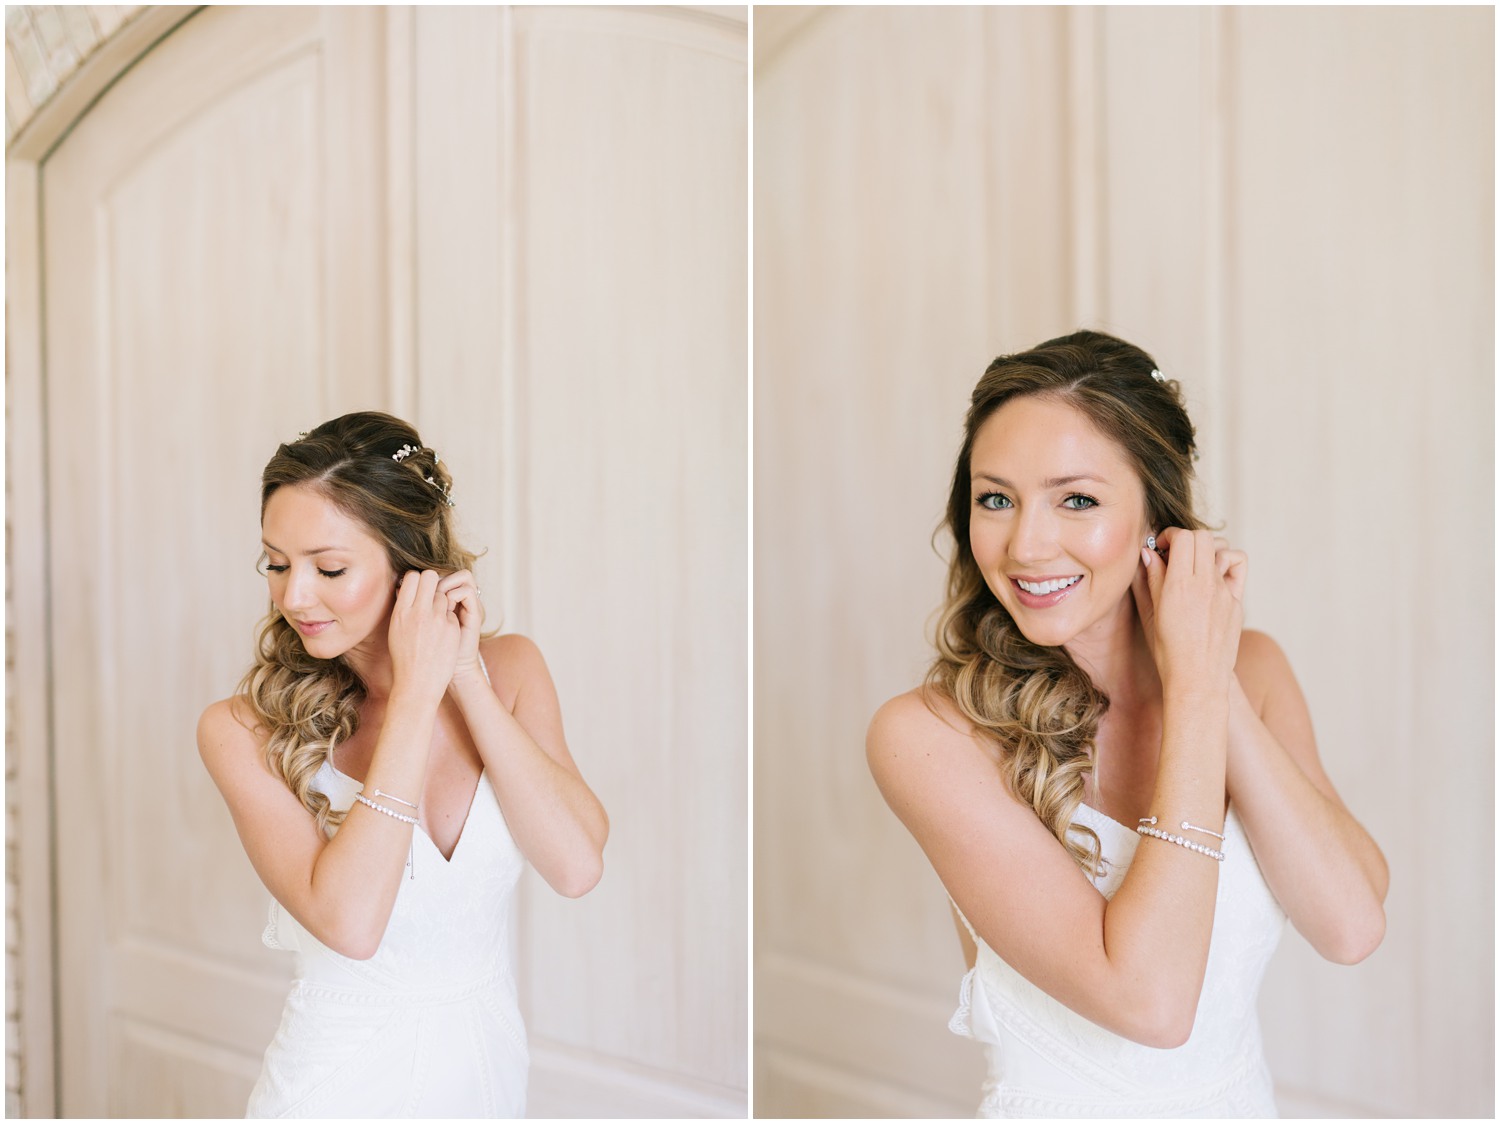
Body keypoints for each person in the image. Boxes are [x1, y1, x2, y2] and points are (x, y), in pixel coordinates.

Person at [866, 331, 1387, 1118]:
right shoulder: (930, 737)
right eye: (995, 498)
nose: (1027, 544)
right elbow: (1150, 1003)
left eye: (1076, 499)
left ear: (1156, 513)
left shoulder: (1253, 673)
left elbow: (1350, 926)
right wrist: (1201, 703)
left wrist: (1204, 679)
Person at [198, 411, 608, 1117]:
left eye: (328, 567)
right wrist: (416, 696)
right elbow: (353, 925)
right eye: (276, 563)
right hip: (334, 1088)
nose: (293, 596)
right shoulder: (242, 731)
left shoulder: (511, 672)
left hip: (485, 1080)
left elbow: (576, 866)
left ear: (408, 563)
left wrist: (463, 675)